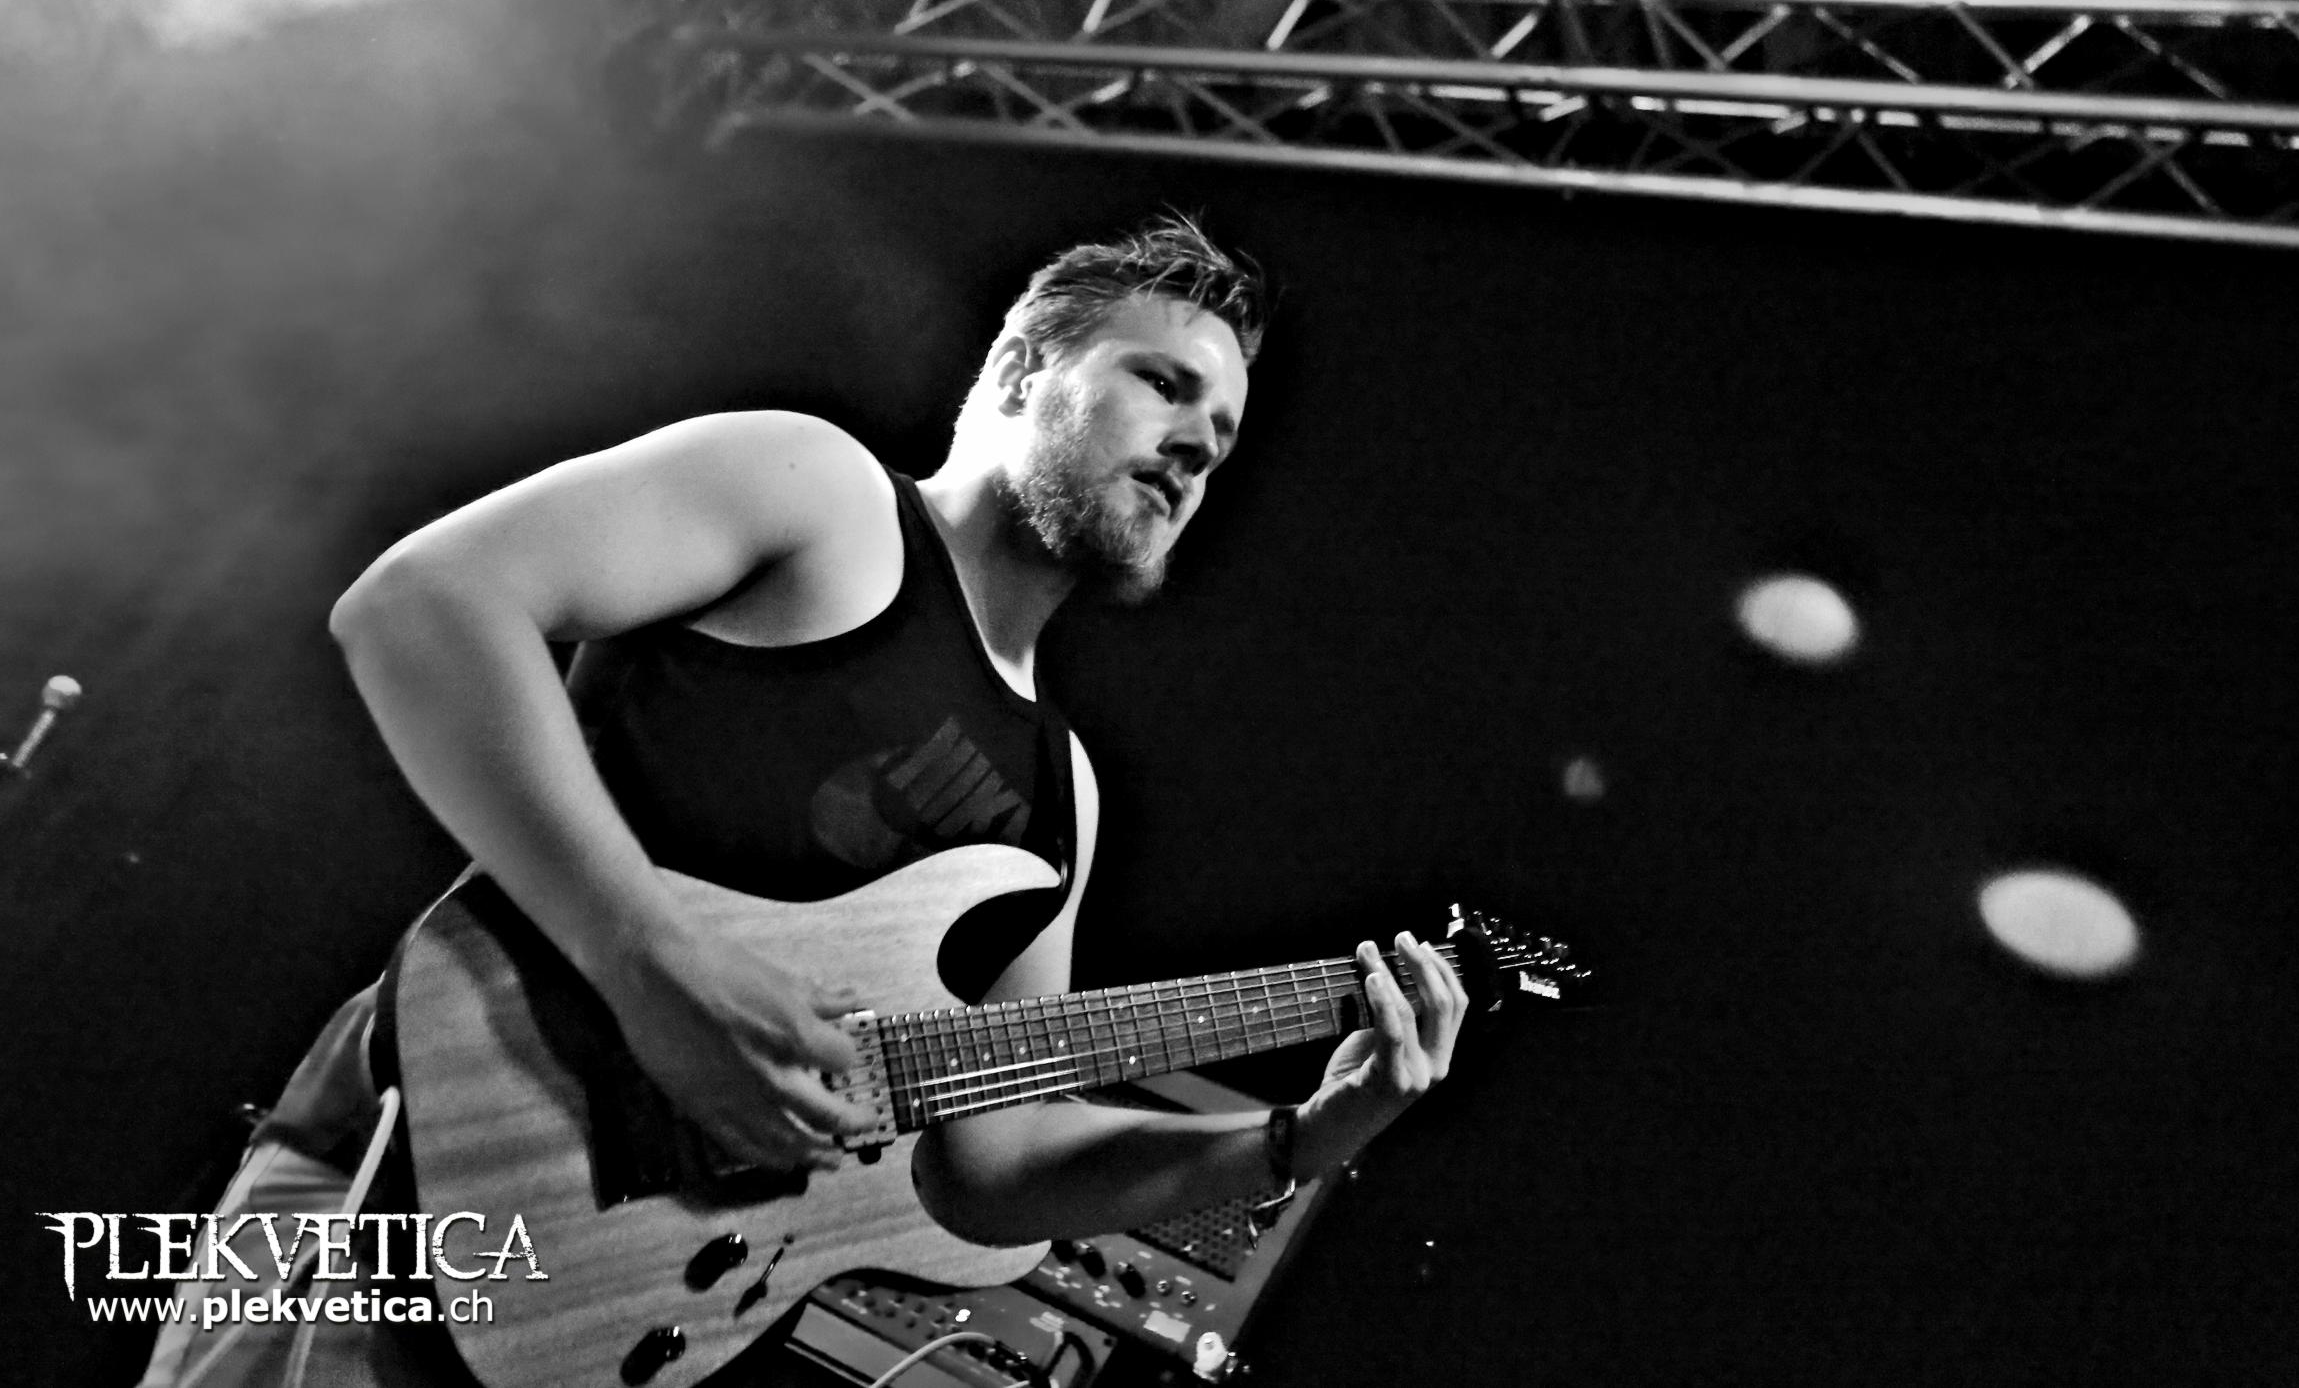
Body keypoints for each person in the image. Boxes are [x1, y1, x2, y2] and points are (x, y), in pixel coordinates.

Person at [139, 216, 1466, 1387]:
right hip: (413, 1185)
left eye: (1219, 441)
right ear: (1021, 370)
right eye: (1162, 384)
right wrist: (654, 966)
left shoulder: (1064, 793)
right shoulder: (822, 495)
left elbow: (989, 1168)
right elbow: (423, 606)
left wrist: (1287, 1140)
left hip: (632, 1323)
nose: (1190, 448)